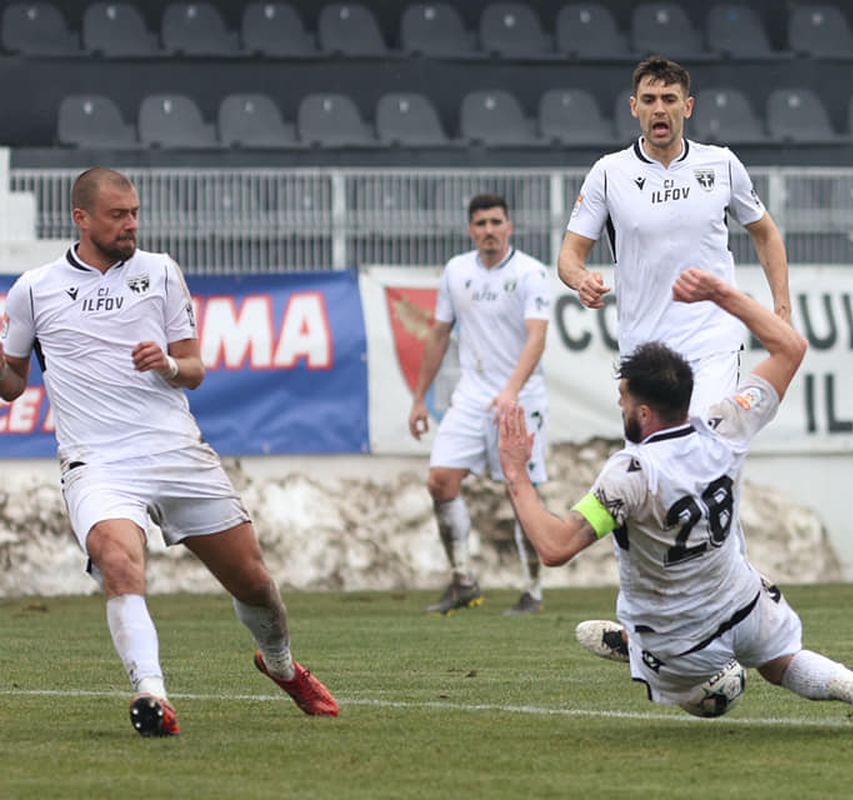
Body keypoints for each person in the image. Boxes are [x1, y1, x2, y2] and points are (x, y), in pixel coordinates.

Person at [496, 268, 853, 736]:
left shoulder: (629, 474)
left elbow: (555, 547)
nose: (621, 407)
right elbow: (791, 348)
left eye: (624, 400)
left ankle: (647, 651)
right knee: (782, 664)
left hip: (680, 640)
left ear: (645, 412)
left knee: (712, 699)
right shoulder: (726, 425)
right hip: (745, 603)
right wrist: (722, 293)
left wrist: (515, 472)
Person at [0, 167, 337, 737]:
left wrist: (169, 364)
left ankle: (279, 664)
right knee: (119, 563)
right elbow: (11, 385)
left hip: (175, 452)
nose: (131, 224)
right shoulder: (35, 288)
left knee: (254, 583)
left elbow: (196, 371)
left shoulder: (159, 272)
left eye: (134, 212)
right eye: (118, 214)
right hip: (97, 462)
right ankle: (152, 696)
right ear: (81, 218)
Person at [557, 55, 792, 415]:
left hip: (712, 341)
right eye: (649, 100)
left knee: (701, 444)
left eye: (669, 99)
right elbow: (569, 257)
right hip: (644, 346)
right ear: (634, 108)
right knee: (653, 462)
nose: (660, 109)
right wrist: (580, 279)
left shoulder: (722, 164)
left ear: (688, 106)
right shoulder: (608, 173)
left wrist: (782, 309)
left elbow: (765, 233)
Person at [408, 193, 552, 615]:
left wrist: (510, 390)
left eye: (495, 222)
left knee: (520, 491)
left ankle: (533, 589)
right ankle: (463, 580)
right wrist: (419, 399)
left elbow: (537, 336)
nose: (488, 231)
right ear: (470, 230)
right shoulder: (456, 271)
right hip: (472, 397)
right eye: (480, 224)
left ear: (510, 227)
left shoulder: (530, 273)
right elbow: (437, 334)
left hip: (520, 399)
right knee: (440, 481)